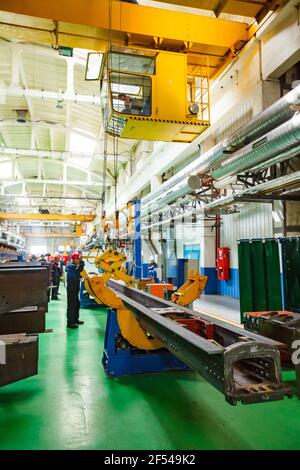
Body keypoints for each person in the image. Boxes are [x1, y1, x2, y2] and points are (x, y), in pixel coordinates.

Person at [66, 253, 85, 329]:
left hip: (75, 289)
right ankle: (70, 323)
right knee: (72, 306)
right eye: (77, 259)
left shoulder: (75, 267)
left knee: (77, 304)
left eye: (79, 259)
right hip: (71, 289)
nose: (78, 260)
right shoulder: (71, 266)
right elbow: (74, 276)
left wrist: (80, 269)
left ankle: (75, 319)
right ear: (73, 259)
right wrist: (80, 268)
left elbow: (79, 275)